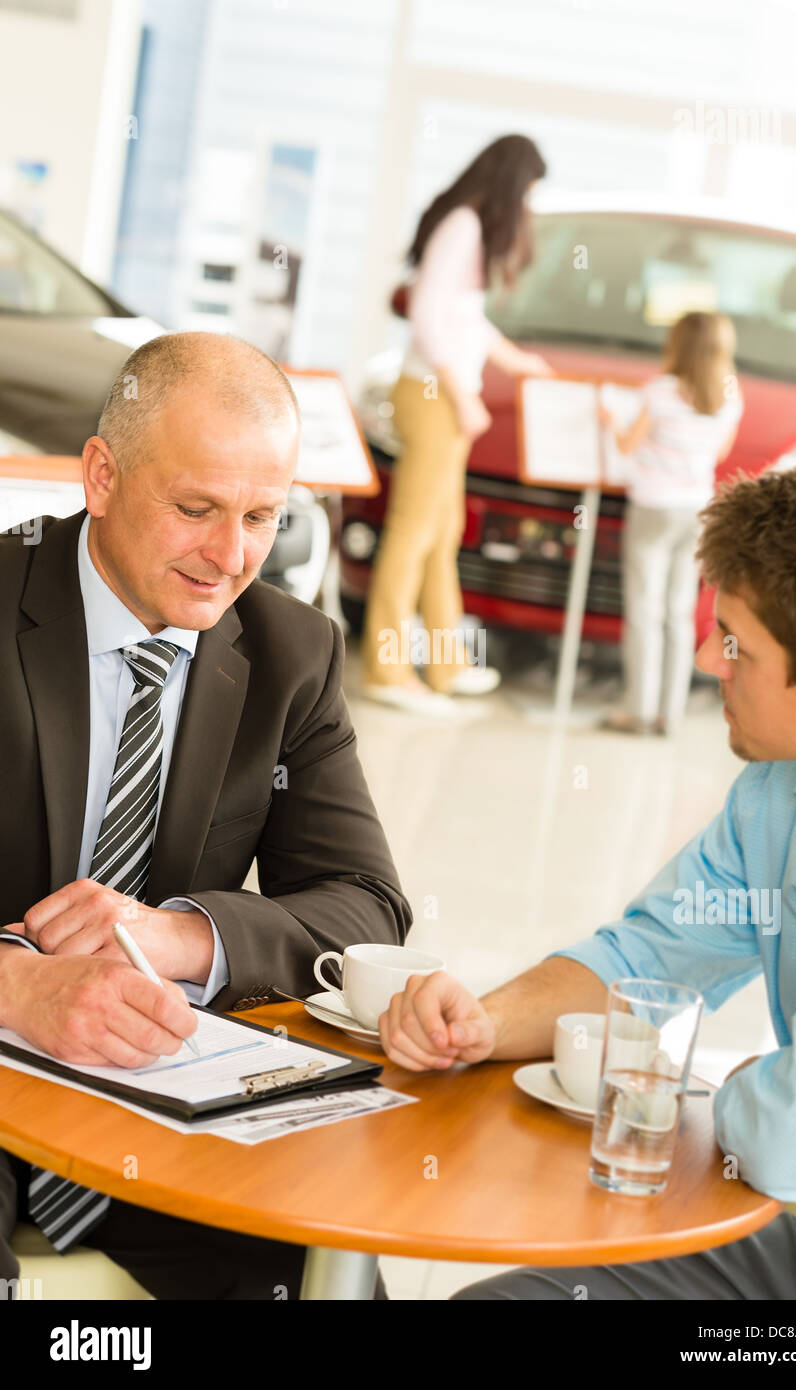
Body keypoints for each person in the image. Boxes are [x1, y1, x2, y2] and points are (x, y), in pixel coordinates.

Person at [378, 462, 796, 1301]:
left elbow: (790, 1142)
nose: (709, 658)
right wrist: (481, 1024)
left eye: (737, 642)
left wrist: (741, 1091)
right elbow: (646, 963)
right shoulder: (778, 794)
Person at [0, 331, 411, 1300]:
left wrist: (177, 935)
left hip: (159, 1099)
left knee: (322, 1266)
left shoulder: (290, 652)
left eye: (262, 517)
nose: (229, 557)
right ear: (101, 475)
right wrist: (19, 990)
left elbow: (365, 906)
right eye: (196, 509)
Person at [362, 133, 553, 717]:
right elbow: (425, 313)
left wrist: (513, 361)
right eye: (530, 192)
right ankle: (387, 670)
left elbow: (462, 317)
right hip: (433, 395)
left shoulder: (466, 226)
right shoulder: (464, 226)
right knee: (413, 530)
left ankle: (446, 662)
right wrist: (460, 393)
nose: (531, 206)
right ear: (512, 182)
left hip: (443, 394)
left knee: (441, 533)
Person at [599, 311, 743, 736]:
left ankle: (639, 711)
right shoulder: (730, 397)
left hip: (652, 507)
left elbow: (627, 445)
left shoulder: (659, 392)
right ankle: (671, 715)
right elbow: (718, 454)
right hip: (696, 510)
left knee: (644, 609)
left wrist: (611, 421)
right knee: (679, 612)